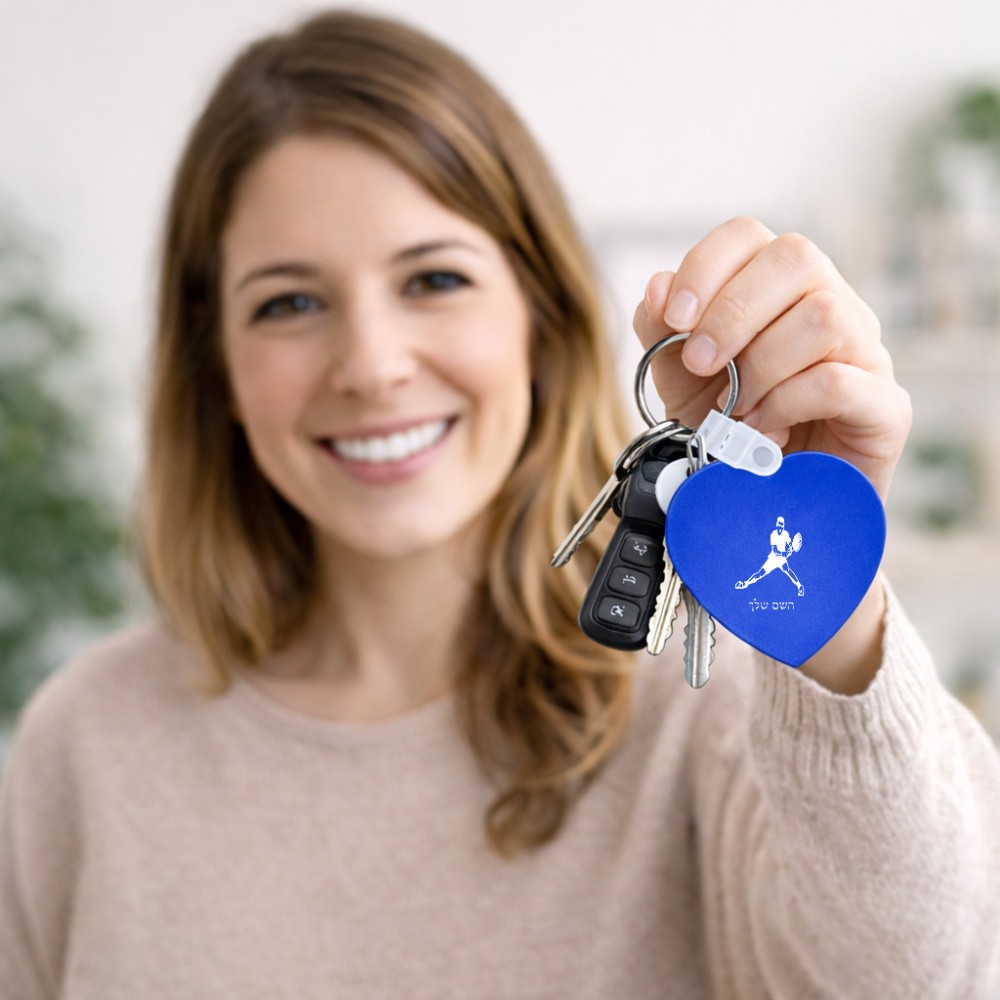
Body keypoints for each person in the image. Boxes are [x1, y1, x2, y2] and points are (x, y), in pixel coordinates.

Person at [1, 9, 998, 999]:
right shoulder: (83, 745)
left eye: (433, 279)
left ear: (540, 317)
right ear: (214, 358)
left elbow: (932, 982)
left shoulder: (718, 711)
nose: (372, 366)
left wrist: (821, 570)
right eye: (289, 302)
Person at [735, 515, 805, 595]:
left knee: (787, 570)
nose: (780, 528)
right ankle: (745, 583)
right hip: (773, 559)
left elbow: (789, 543)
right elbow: (775, 551)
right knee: (760, 573)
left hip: (781, 560)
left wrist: (789, 549)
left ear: (783, 526)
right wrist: (783, 554)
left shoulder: (786, 534)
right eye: (779, 526)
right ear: (777, 525)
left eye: (782, 526)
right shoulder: (773, 535)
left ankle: (800, 586)